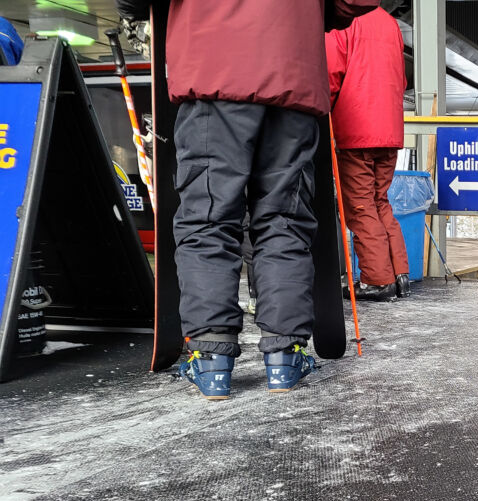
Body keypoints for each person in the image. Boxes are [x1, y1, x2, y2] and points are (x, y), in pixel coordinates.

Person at [115, 0, 377, 400]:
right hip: (293, 74)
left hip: (213, 69)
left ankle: (210, 361)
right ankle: (285, 359)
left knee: (208, 217)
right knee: (284, 217)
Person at [326, 7, 409, 303]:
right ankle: (399, 275)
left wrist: (322, 110)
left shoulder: (340, 17)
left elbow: (330, 73)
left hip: (356, 127)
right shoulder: (389, 23)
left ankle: (377, 280)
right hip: (389, 127)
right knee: (379, 201)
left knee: (360, 206)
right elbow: (402, 79)